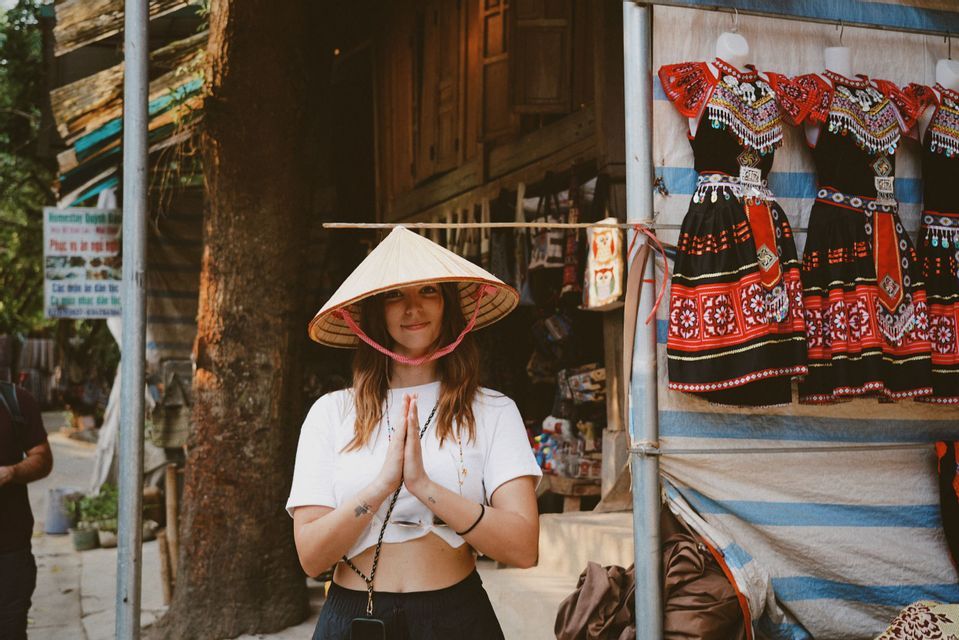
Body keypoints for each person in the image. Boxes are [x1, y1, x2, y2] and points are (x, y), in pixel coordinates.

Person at [287, 227, 542, 639]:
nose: (412, 309)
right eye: (394, 296)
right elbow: (312, 557)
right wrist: (381, 486)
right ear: (373, 312)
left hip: (456, 617)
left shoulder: (493, 410)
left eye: (428, 291)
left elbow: (523, 547)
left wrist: (426, 487)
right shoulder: (331, 413)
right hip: (355, 619)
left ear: (448, 306)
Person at [0, 383, 53, 640]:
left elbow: (42, 458)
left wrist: (13, 472)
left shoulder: (15, 401)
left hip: (9, 552)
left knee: (10, 632)